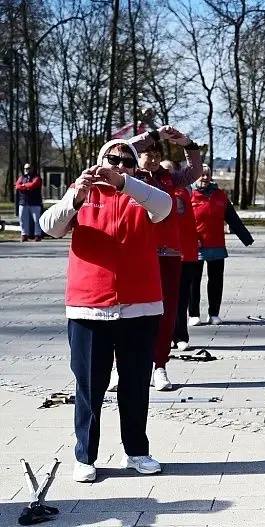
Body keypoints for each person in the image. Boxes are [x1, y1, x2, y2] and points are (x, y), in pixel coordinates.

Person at [39, 139, 172, 482]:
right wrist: (75, 197)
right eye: (113, 159)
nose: (119, 164)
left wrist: (125, 183)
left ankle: (137, 452)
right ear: (99, 161)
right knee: (88, 386)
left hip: (140, 307)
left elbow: (165, 206)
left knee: (135, 384)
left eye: (126, 160)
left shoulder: (142, 193)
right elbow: (49, 226)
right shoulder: (81, 193)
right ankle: (85, 456)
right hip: (88, 307)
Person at [127, 125, 202, 391]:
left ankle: (159, 365)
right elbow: (124, 150)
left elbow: (195, 171)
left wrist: (186, 142)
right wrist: (153, 136)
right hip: (137, 251)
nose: (154, 157)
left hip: (169, 252)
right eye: (149, 153)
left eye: (157, 153)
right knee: (130, 312)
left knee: (166, 311)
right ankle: (122, 366)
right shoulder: (130, 177)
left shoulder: (170, 178)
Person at [188, 166, 254, 327]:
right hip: (194, 245)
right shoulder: (188, 194)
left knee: (216, 282)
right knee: (193, 282)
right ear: (195, 177)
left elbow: (233, 218)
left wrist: (246, 238)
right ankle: (194, 314)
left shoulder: (220, 195)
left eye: (207, 175)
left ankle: (214, 314)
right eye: (201, 175)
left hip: (217, 245)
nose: (204, 177)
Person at [170, 163, 200, 352]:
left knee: (181, 299)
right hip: (159, 254)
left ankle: (180, 335)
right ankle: (165, 336)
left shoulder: (180, 194)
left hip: (183, 255)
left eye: (169, 171)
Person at [15, 163, 44, 242]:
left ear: (32, 169)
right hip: (23, 202)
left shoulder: (37, 178)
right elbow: (17, 186)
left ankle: (37, 235)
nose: (26, 170)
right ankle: (24, 235)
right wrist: (26, 186)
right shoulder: (21, 177)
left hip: (35, 202)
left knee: (36, 220)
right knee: (23, 219)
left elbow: (33, 185)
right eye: (25, 168)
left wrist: (23, 186)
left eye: (28, 168)